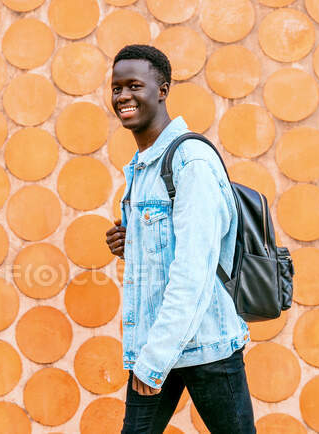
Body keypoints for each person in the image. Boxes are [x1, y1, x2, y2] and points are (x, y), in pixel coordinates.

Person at [105, 45, 255, 434]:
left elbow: (193, 271)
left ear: (163, 90)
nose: (122, 97)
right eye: (116, 88)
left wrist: (152, 361)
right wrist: (133, 244)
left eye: (134, 85)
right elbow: (171, 249)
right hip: (160, 338)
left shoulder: (191, 163)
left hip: (206, 349)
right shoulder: (143, 166)